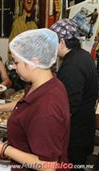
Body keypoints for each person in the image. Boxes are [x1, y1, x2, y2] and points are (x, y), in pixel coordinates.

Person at [0, 28, 71, 171]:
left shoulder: (47, 109)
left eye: (16, 63)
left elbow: (48, 166)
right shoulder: (45, 83)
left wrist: (4, 149)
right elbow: (26, 103)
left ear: (33, 62)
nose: (14, 68)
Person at [50, 18, 98, 169]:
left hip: (75, 136)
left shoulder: (72, 65)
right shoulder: (82, 56)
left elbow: (68, 106)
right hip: (84, 129)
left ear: (62, 42)